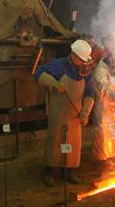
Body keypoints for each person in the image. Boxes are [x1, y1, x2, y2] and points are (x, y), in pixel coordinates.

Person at [35, 39, 95, 186]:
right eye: (81, 60)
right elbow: (38, 73)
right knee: (55, 142)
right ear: (74, 56)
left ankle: (69, 171)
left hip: (75, 115)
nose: (83, 63)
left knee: (72, 144)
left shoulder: (86, 71)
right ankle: (49, 171)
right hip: (58, 112)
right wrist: (54, 83)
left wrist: (85, 112)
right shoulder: (58, 65)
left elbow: (90, 93)